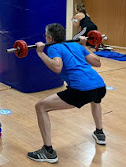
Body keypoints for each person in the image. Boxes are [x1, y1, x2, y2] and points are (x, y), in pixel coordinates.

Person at [27, 23, 106, 164]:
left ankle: (48, 151)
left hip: (81, 90)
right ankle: (99, 133)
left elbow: (57, 67)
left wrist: (40, 53)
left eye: (46, 36)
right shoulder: (76, 46)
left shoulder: (53, 48)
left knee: (40, 106)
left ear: (50, 38)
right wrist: (84, 45)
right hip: (99, 85)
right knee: (95, 100)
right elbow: (97, 63)